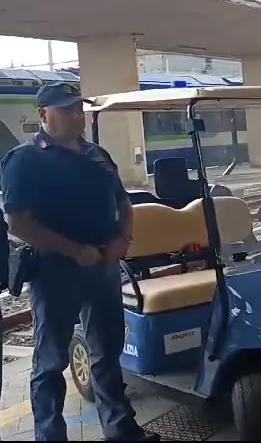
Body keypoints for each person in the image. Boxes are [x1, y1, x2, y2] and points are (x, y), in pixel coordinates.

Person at [0, 83, 158, 441]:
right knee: (51, 362)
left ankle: (120, 430)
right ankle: (50, 435)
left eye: (78, 108)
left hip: (103, 266)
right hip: (55, 272)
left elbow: (124, 203)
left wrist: (123, 239)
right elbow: (18, 222)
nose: (76, 115)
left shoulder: (97, 155)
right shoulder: (24, 159)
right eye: (67, 109)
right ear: (43, 114)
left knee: (107, 352)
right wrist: (74, 251)